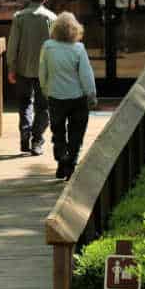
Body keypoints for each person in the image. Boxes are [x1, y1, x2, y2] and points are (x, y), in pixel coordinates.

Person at [38, 11, 98, 180]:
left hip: (56, 96)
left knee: (58, 131)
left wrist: (44, 88)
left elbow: (42, 71)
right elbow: (86, 74)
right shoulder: (79, 49)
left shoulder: (47, 47)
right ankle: (70, 164)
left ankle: (61, 160)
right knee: (76, 132)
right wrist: (91, 94)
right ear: (75, 29)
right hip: (77, 97)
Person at [6, 0, 56, 156]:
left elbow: (12, 45)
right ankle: (36, 141)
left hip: (22, 68)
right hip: (45, 70)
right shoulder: (51, 18)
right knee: (44, 107)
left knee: (25, 103)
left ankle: (24, 137)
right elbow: (55, 47)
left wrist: (11, 67)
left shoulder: (19, 17)